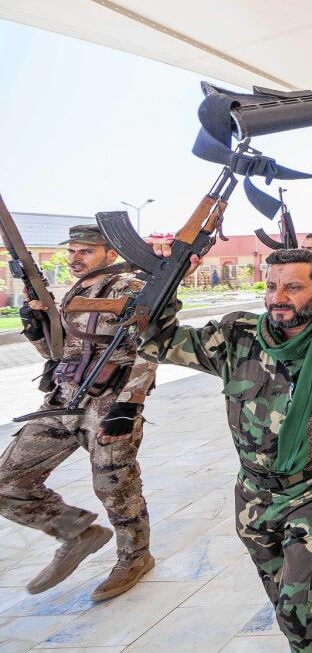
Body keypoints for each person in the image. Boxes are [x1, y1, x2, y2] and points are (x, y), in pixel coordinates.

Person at [138, 246, 312, 651]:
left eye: (292, 287)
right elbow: (156, 339)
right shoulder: (237, 335)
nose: (277, 297)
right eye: (271, 286)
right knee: (290, 593)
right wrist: (166, 280)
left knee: (301, 599)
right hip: (254, 492)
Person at [0, 224, 156, 601]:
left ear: (111, 253)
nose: (74, 259)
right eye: (72, 251)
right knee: (7, 481)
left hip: (109, 402)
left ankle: (135, 557)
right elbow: (60, 356)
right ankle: (77, 532)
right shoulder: (74, 290)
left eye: (85, 251)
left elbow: (151, 346)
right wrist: (36, 327)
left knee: (115, 488)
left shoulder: (129, 288)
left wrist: (129, 403)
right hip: (62, 400)